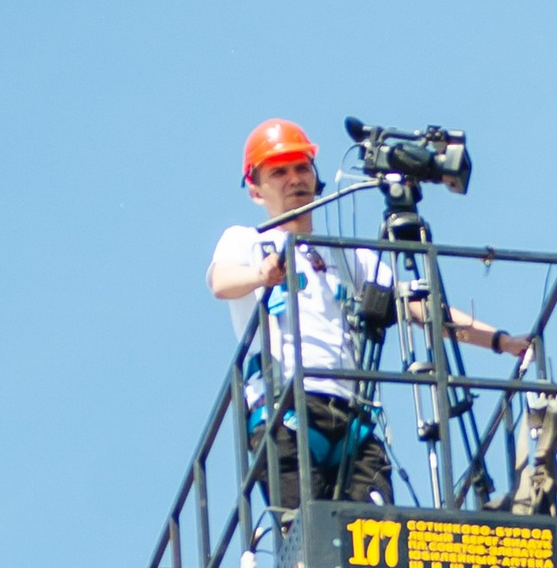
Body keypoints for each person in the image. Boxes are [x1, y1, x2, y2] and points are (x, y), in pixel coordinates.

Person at [208, 117, 533, 514]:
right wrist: (262, 274)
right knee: (311, 543)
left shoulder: (347, 255)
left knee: (379, 538)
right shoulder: (248, 241)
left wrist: (501, 341)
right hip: (285, 415)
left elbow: (418, 308)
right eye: (278, 172)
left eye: (301, 168)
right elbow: (221, 281)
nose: (294, 179)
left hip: (352, 418)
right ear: (256, 190)